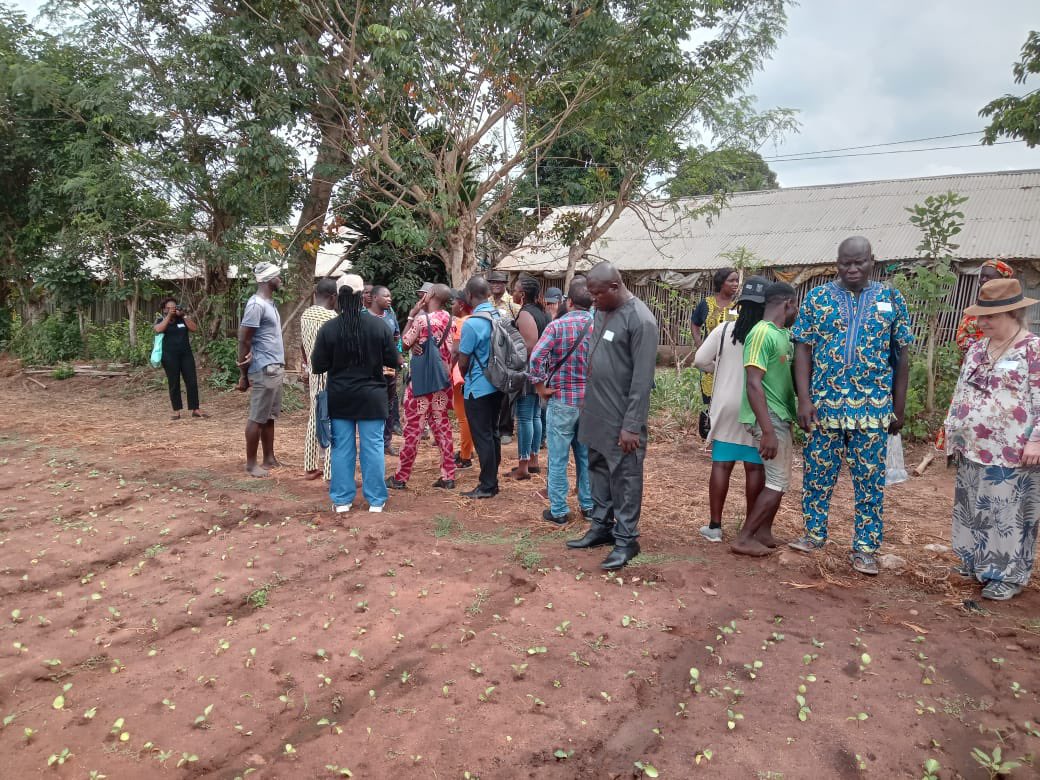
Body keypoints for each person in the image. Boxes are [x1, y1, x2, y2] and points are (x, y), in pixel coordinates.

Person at [788, 236, 913, 575]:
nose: (852, 269)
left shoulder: (891, 299)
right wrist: (804, 398)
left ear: (873, 260)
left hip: (873, 409)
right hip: (824, 406)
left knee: (870, 481)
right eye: (845, 263)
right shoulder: (817, 299)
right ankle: (813, 535)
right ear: (837, 262)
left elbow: (902, 356)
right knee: (817, 475)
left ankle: (866, 549)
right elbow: (802, 349)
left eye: (859, 262)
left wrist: (897, 407)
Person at [944, 279, 1040, 600]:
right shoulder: (976, 348)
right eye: (980, 316)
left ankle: (1007, 575)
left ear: (1013, 313)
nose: (981, 322)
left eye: (990, 317)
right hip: (972, 446)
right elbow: (962, 392)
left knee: (1007, 512)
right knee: (972, 506)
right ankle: (974, 562)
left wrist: (1036, 440)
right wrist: (953, 433)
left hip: (1013, 451)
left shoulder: (1032, 349)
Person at [566, 262, 658, 569]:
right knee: (597, 470)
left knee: (626, 478)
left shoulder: (641, 321)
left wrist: (631, 425)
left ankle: (626, 540)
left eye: (596, 293)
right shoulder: (602, 311)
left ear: (615, 287)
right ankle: (601, 527)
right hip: (596, 411)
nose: (591, 299)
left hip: (622, 419)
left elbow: (643, 379)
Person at [310, 274, 398, 513]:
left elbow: (318, 366)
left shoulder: (329, 328)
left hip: (341, 397)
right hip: (372, 397)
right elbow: (393, 359)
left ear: (338, 297)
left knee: (342, 449)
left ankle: (341, 500)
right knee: (372, 447)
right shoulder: (379, 325)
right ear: (363, 297)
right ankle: (376, 501)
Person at [692, 276, 768, 542]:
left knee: (721, 465)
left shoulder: (725, 329)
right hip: (756, 407)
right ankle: (750, 527)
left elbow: (700, 359)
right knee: (754, 469)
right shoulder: (766, 334)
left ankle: (714, 526)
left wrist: (719, 369)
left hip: (724, 405)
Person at [730, 283, 799, 557]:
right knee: (778, 482)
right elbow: (753, 383)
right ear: (789, 304)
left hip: (780, 415)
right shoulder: (760, 333)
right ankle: (745, 538)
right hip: (769, 417)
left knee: (778, 479)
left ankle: (763, 531)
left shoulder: (782, 334)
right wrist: (767, 431)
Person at [530, 277, 595, 524]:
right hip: (589, 402)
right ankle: (588, 507)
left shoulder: (556, 327)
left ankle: (558, 511)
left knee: (557, 458)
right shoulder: (598, 325)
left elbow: (536, 357)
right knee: (586, 457)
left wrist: (539, 387)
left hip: (561, 399)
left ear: (568, 301)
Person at [935, 259, 1016, 453]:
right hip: (975, 375)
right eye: (982, 277)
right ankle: (962, 451)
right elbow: (962, 340)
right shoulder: (974, 312)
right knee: (969, 413)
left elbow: (1017, 349)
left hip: (1005, 378)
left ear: (1004, 280)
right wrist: (985, 352)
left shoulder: (1014, 313)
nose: (983, 280)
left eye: (989, 276)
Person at [388, 284, 457, 490]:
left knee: (412, 430)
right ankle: (448, 476)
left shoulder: (421, 320)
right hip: (441, 383)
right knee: (442, 428)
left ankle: (401, 477)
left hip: (420, 384)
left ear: (433, 295)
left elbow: (401, 346)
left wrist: (410, 317)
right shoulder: (451, 320)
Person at [237, 262, 286, 478]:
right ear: (268, 280)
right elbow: (244, 338)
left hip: (274, 367)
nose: (280, 279)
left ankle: (269, 458)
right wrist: (243, 373)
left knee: (269, 416)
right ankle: (251, 464)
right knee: (257, 417)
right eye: (278, 276)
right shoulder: (256, 305)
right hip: (264, 367)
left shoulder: (269, 303)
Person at [458, 276, 503, 499]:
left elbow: (463, 360)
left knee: (482, 436)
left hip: (478, 387)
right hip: (499, 384)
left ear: (469, 295)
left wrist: (464, 379)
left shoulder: (473, 323)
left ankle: (486, 485)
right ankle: (492, 481)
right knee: (493, 433)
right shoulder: (500, 316)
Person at [509, 276, 550, 480]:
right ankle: (533, 461)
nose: (513, 293)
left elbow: (530, 346)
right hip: (541, 371)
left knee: (525, 417)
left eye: (515, 290)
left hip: (529, 372)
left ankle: (523, 466)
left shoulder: (525, 314)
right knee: (534, 416)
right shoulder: (542, 313)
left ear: (523, 294)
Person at [692, 267, 741, 437]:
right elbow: (695, 323)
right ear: (721, 283)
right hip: (709, 362)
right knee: (709, 398)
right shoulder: (706, 304)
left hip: (729, 361)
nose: (735, 284)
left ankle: (724, 433)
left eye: (737, 280)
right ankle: (707, 433)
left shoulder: (737, 306)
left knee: (727, 396)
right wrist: (700, 344)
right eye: (731, 280)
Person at [299, 278, 339, 480]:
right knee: (332, 420)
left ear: (316, 294)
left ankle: (309, 465)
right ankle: (331, 472)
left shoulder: (306, 314)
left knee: (314, 417)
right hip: (331, 373)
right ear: (333, 296)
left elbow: (302, 345)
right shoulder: (331, 318)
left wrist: (306, 366)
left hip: (314, 372)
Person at [154, 297, 205, 420]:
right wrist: (168, 317)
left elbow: (194, 328)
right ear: (164, 309)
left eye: (174, 307)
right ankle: (176, 411)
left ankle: (195, 409)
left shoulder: (182, 319)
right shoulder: (161, 320)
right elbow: (158, 329)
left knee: (191, 381)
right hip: (169, 356)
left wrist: (184, 316)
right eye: (169, 308)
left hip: (185, 355)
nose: (172, 309)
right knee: (174, 383)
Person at [366, 285, 403, 454]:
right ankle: (371, 443)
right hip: (369, 372)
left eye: (390, 296)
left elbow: (397, 339)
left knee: (388, 405)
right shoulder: (362, 317)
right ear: (374, 298)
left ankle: (386, 443)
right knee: (371, 406)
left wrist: (399, 357)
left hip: (389, 370)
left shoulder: (390, 316)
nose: (389, 299)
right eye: (386, 296)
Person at [488, 270, 518, 444]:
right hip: (492, 353)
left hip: (508, 354)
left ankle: (506, 429)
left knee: (507, 392)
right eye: (492, 282)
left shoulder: (513, 305)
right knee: (492, 390)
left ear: (505, 284)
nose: (495, 285)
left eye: (499, 283)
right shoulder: (487, 303)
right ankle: (493, 425)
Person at [449, 289, 474, 470]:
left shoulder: (460, 322)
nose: (452, 306)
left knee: (463, 417)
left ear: (461, 305)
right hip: (474, 374)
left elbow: (456, 352)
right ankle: (467, 451)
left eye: (453, 302)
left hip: (460, 374)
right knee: (469, 416)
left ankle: (465, 457)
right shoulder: (475, 320)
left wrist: (448, 369)